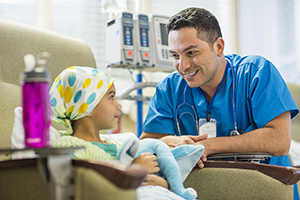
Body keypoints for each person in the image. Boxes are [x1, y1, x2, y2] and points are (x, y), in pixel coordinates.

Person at [140, 7, 299, 199]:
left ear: (219, 47)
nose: (182, 66)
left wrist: (208, 146)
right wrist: (164, 143)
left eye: (191, 53)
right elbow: (146, 146)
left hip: (262, 188)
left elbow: (279, 141)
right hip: (198, 190)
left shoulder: (256, 72)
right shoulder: (169, 89)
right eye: (175, 56)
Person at [50, 66, 203, 200]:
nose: (119, 104)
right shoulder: (71, 147)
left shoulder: (119, 145)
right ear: (86, 106)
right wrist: (131, 170)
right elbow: (86, 189)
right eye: (111, 97)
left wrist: (164, 184)